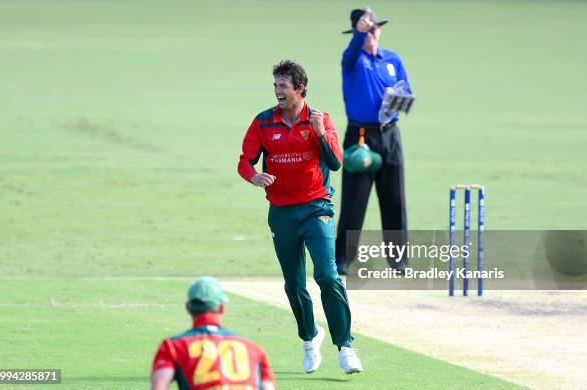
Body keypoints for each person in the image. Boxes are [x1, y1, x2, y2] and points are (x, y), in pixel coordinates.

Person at [237, 60, 362, 375]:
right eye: (275, 85)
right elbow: (245, 162)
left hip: (315, 208)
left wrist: (320, 134)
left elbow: (335, 163)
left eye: (283, 86)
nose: (278, 91)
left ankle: (345, 346)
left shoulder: (321, 120)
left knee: (328, 276)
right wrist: (254, 177)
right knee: (293, 284)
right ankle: (310, 337)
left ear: (300, 89)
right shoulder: (263, 122)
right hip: (281, 213)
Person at [336, 8, 412, 275]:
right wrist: (358, 32)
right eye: (366, 30)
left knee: (394, 199)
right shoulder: (353, 60)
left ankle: (399, 260)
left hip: (390, 134)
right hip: (360, 136)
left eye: (374, 28)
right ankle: (343, 258)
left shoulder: (393, 59)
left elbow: (407, 91)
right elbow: (350, 55)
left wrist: (397, 97)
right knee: (355, 200)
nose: (371, 34)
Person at [151, 277, 276, 390]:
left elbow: (159, 386)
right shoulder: (253, 348)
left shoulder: (173, 346)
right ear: (221, 308)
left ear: (188, 308)